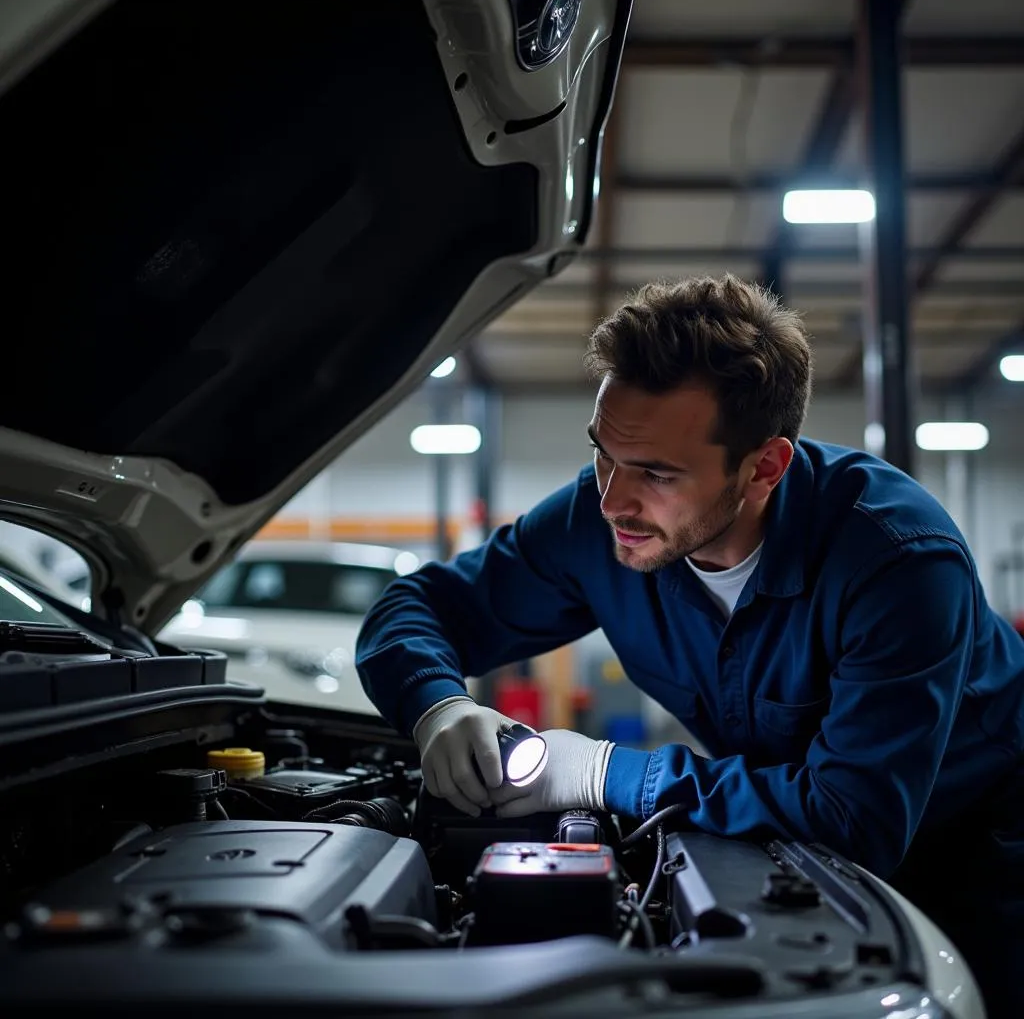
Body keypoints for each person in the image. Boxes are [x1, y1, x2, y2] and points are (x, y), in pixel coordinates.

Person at [355, 274, 1024, 1015]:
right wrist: (437, 707)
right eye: (603, 453)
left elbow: (851, 819)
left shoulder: (898, 559)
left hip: (980, 852)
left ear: (763, 467)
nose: (612, 499)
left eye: (656, 473)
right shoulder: (597, 519)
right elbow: (413, 605)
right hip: (786, 835)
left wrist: (606, 772)